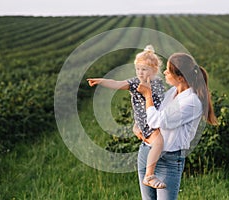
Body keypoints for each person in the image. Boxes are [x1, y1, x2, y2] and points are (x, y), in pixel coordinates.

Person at [136, 52, 218, 200]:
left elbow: (156, 120)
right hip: (146, 152)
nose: (165, 72)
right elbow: (153, 112)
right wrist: (138, 127)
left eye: (168, 70)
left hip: (168, 159)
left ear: (180, 78)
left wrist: (148, 95)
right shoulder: (173, 92)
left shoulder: (191, 102)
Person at [87, 45, 167, 189]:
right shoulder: (135, 83)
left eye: (144, 69)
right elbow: (117, 84)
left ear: (154, 70)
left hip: (156, 117)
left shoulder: (159, 83)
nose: (140, 73)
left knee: (162, 140)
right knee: (159, 142)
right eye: (138, 69)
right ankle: (149, 175)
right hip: (145, 121)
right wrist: (101, 81)